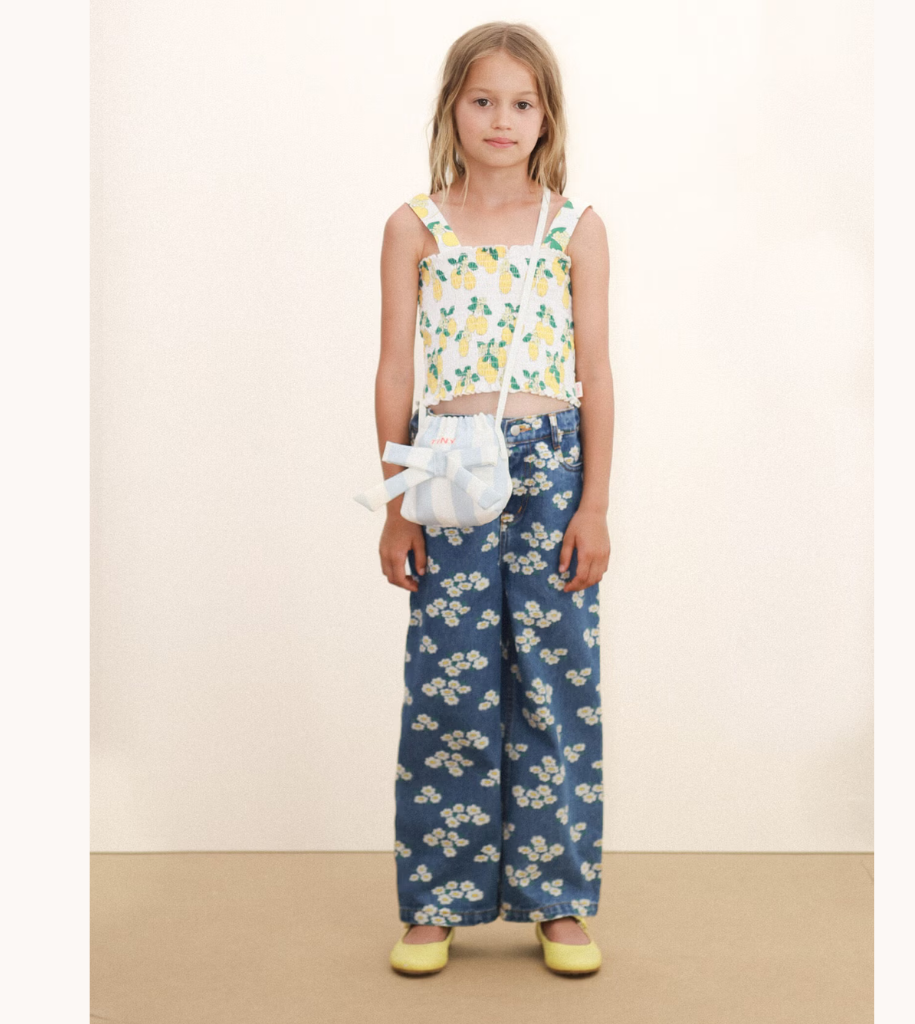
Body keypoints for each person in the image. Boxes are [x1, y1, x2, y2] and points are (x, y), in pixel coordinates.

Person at [367, 21, 613, 975]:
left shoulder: (575, 227)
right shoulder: (414, 227)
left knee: (556, 678)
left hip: (554, 469)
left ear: (546, 116)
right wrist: (397, 502)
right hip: (448, 468)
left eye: (521, 102)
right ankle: (437, 897)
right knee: (449, 683)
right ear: (452, 108)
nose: (501, 119)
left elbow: (597, 370)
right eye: (482, 100)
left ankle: (559, 897)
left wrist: (594, 505)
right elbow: (395, 369)